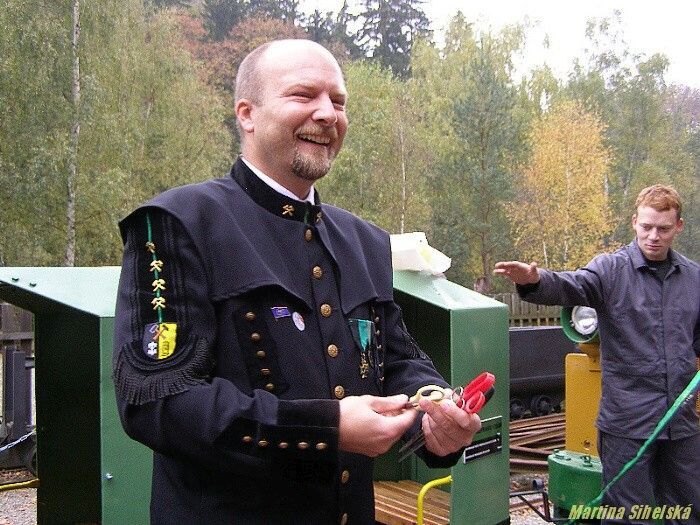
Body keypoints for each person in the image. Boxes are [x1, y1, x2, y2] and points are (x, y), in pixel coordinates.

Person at [112, 39, 481, 525]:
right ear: (247, 114)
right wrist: (327, 428)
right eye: (303, 95)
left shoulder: (366, 242)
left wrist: (435, 411)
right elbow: (157, 401)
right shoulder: (178, 224)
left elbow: (396, 359)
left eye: (339, 101)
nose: (327, 114)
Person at [494, 184, 699, 524]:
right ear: (634, 222)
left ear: (678, 226)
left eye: (663, 229)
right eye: (646, 226)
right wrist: (534, 281)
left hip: (680, 423)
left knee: (688, 509)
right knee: (627, 515)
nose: (653, 236)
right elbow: (569, 285)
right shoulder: (610, 271)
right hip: (627, 423)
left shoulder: (693, 278)